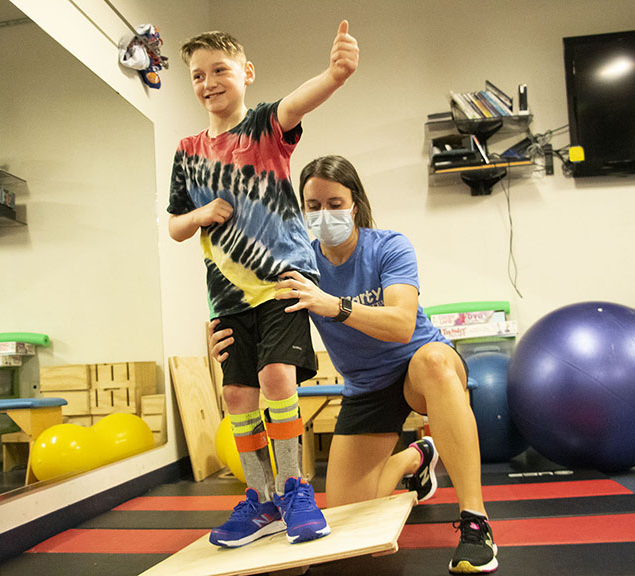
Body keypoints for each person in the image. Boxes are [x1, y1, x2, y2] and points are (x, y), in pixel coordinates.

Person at [210, 155, 498, 574]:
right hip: (366, 387)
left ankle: (476, 523)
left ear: (355, 204)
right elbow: (256, 319)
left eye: (334, 203)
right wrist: (223, 340)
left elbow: (401, 324)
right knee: (351, 526)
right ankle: (413, 459)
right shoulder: (299, 265)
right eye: (312, 205)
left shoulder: (389, 246)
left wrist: (332, 305)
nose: (323, 214)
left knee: (435, 360)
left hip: (417, 366)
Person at [168, 24, 359, 548]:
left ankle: (297, 488)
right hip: (227, 295)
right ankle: (263, 501)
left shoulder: (262, 128)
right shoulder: (187, 151)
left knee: (277, 377)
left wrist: (336, 75)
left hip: (282, 283)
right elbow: (175, 226)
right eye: (198, 75)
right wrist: (201, 213)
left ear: (246, 73)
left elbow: (298, 103)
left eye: (220, 70)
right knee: (235, 392)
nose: (209, 82)